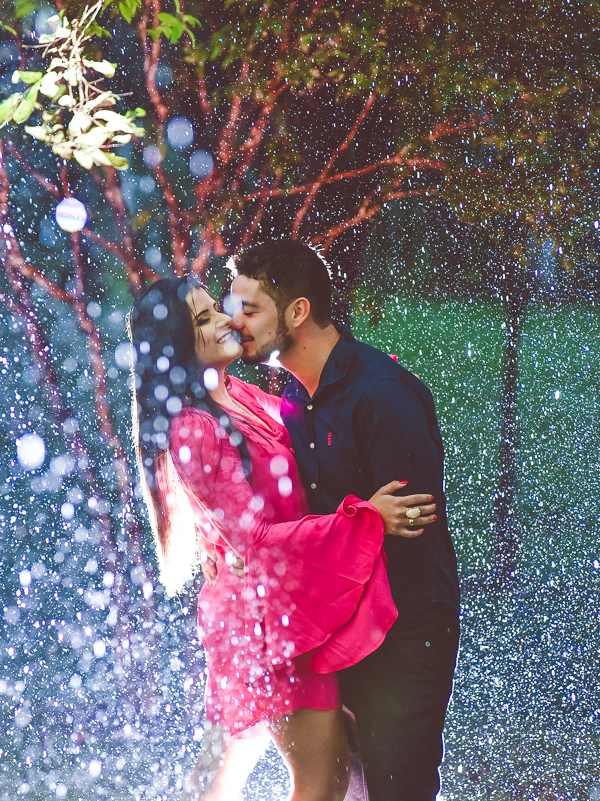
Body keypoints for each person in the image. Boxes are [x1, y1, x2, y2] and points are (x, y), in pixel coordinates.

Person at [128, 277, 437, 801]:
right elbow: (253, 540)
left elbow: (309, 427)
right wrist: (365, 520)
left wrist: (369, 376)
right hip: (264, 626)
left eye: (217, 309)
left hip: (282, 608)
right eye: (203, 321)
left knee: (245, 771)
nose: (226, 321)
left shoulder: (242, 396)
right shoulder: (193, 428)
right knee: (323, 780)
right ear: (177, 346)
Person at [226, 240, 461, 801]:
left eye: (250, 308)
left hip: (403, 630)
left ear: (298, 312)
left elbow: (406, 531)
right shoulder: (292, 400)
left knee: (396, 789)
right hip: (335, 628)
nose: (236, 322)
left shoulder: (382, 395)